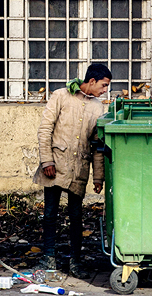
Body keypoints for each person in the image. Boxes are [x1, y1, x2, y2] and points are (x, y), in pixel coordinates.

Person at [32, 64, 112, 279]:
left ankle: (75, 262)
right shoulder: (61, 96)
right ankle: (49, 258)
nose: (105, 90)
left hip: (79, 168)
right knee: (50, 214)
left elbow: (97, 144)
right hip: (55, 166)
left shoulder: (98, 107)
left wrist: (98, 177)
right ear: (92, 81)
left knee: (76, 216)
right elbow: (45, 130)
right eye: (104, 85)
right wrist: (46, 160)